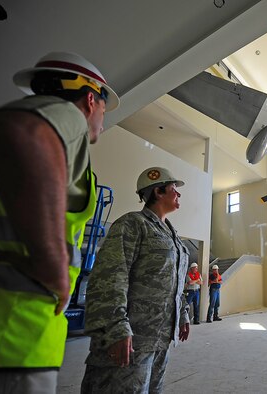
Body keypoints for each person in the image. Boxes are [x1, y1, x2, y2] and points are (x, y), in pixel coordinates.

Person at [0, 52, 119, 393]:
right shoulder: (64, 114)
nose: (102, 118)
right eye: (102, 107)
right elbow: (26, 132)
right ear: (89, 99)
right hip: (10, 334)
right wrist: (51, 261)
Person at [81, 167, 190, 394]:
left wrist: (183, 313)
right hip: (131, 339)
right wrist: (116, 327)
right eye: (174, 190)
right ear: (158, 192)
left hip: (159, 340)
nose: (178, 195)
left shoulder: (172, 234)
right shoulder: (133, 224)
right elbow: (110, 277)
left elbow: (173, 283)